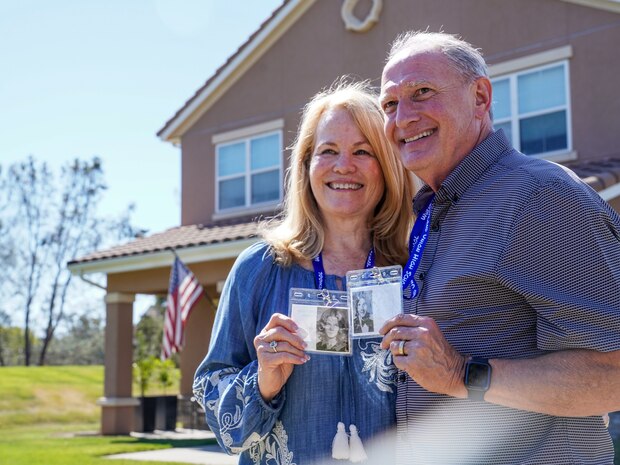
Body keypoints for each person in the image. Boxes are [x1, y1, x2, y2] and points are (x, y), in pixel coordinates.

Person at [378, 31, 620, 464]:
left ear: (481, 97)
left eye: (422, 93)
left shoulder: (541, 195)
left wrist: (460, 374)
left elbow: (615, 373)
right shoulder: (434, 212)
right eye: (390, 104)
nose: (403, 118)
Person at [193, 81, 417, 464]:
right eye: (328, 150)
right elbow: (215, 404)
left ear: (387, 167)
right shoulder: (260, 268)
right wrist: (262, 380)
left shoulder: (412, 270)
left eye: (363, 151)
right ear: (306, 167)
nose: (343, 165)